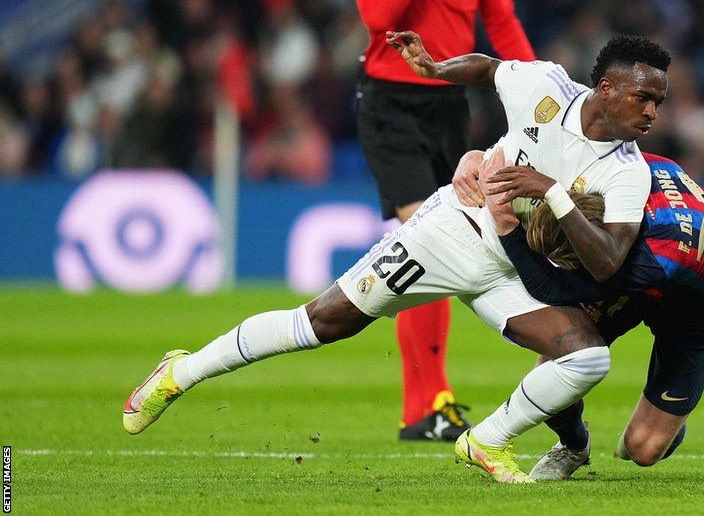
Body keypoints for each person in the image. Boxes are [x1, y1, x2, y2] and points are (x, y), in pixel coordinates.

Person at [122, 32, 671, 484]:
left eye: (658, 103)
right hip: (452, 231)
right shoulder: (545, 84)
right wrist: (435, 70)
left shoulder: (628, 170)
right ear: (605, 87)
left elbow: (607, 262)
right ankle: (182, 371)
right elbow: (486, 69)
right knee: (324, 322)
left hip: (516, 266)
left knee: (586, 357)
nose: (651, 112)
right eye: (643, 98)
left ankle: (487, 442)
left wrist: (548, 189)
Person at [350, 0, 537, 442]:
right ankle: (431, 403)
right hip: (391, 103)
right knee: (426, 238)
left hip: (450, 105)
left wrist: (544, 91)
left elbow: (502, 24)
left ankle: (425, 411)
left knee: (436, 239)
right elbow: (377, 13)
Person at [474, 150, 704, 480]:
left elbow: (552, 288)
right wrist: (475, 160)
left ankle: (669, 421)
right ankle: (573, 446)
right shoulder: (622, 167)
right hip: (666, 252)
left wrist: (506, 226)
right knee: (559, 370)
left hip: (697, 311)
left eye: (572, 263)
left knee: (641, 449)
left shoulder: (646, 261)